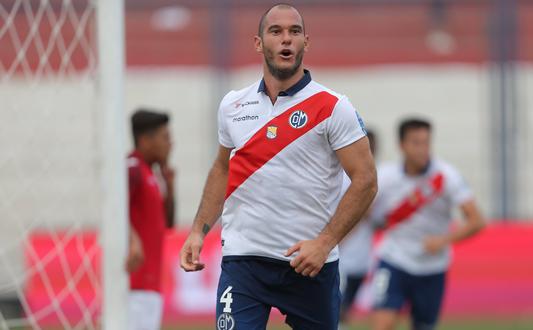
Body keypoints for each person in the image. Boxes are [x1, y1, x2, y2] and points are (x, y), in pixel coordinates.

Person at [179, 3, 377, 329]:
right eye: (276, 31)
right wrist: (199, 231)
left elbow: (366, 180)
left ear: (306, 42)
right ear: (258, 43)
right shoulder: (233, 105)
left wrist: (325, 242)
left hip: (309, 264)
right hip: (244, 261)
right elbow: (221, 169)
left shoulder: (333, 107)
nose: (286, 39)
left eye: (294, 32)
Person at [370, 118, 485, 330]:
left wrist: (444, 240)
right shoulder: (385, 176)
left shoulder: (446, 176)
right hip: (393, 259)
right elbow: (368, 214)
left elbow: (477, 221)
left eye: (426, 143)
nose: (423, 149)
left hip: (432, 266)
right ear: (401, 145)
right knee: (382, 323)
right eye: (416, 143)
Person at [125, 109, 175, 330]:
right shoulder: (133, 168)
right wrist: (133, 240)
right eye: (165, 137)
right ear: (145, 140)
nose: (170, 143)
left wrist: (170, 185)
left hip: (149, 286)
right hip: (135, 285)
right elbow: (116, 209)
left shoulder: (150, 173)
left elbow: (169, 223)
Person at [338, 129, 380, 326]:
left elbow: (376, 217)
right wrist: (335, 240)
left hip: (361, 258)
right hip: (340, 257)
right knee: (336, 309)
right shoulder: (346, 178)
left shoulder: (377, 179)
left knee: (345, 311)